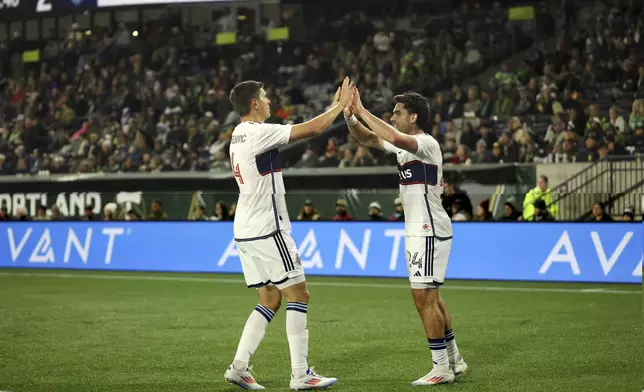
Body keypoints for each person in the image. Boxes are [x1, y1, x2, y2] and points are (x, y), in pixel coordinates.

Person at [224, 78, 351, 390]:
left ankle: (239, 366)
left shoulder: (238, 135)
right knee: (299, 294)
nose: (269, 102)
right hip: (268, 228)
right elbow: (313, 129)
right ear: (254, 103)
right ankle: (300, 374)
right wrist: (338, 106)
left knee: (269, 298)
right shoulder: (257, 132)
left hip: (245, 229)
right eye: (265, 97)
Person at [344, 88, 467, 386]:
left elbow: (395, 137)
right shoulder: (404, 147)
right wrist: (350, 117)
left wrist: (362, 110)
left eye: (397, 113)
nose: (392, 117)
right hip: (420, 229)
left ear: (413, 117)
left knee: (422, 297)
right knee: (431, 297)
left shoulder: (425, 143)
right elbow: (369, 138)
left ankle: (440, 368)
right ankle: (454, 359)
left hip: (428, 229)